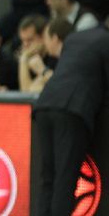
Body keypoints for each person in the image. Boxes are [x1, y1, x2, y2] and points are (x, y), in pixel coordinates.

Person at [33, 18, 108, 215]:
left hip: (45, 104)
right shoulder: (105, 41)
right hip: (72, 110)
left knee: (47, 177)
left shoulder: (75, 38)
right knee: (65, 179)